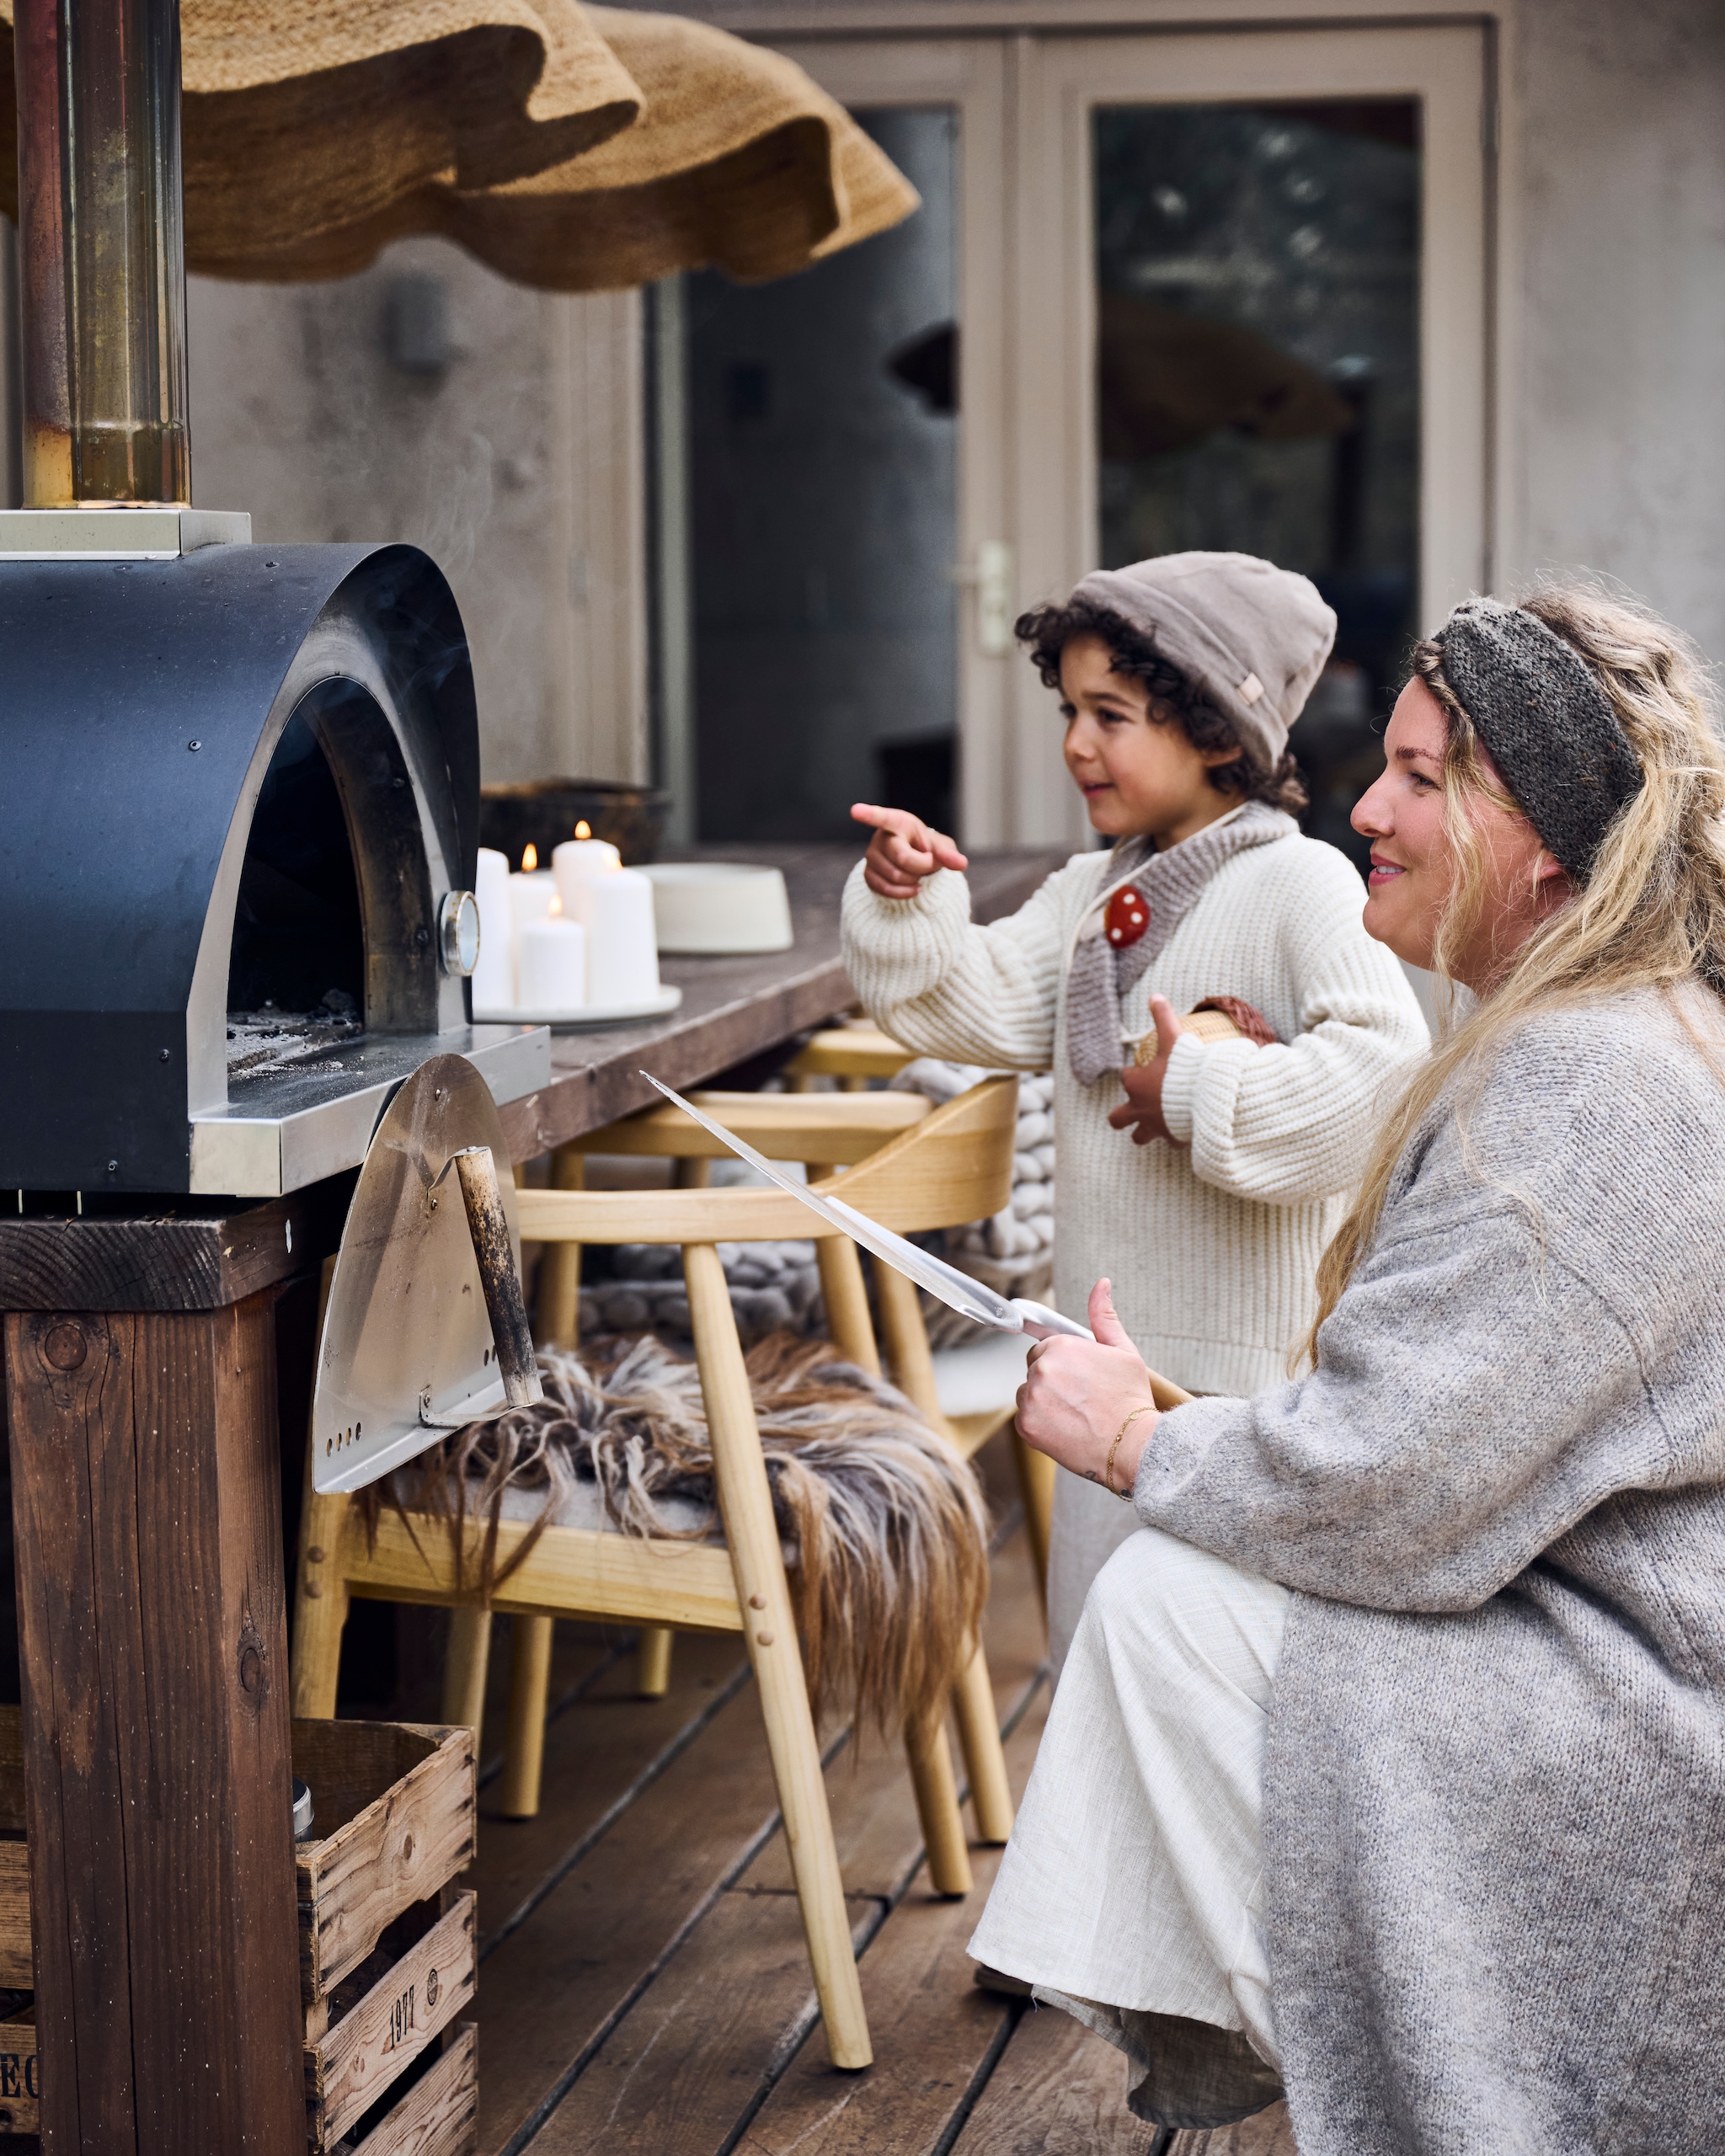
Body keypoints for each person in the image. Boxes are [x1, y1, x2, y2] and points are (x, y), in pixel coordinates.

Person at [972, 584, 1725, 2153]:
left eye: (1423, 776)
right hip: (1606, 1620)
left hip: (1647, 1707)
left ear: (1546, 841)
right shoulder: (1597, 1033)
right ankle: (1314, 2047)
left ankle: (1363, 2063)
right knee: (1186, 1585)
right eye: (1379, 764)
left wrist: (1136, 1448)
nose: (1367, 807)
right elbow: (1442, 1434)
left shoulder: (1585, 1091)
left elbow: (1397, 1490)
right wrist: (1185, 1420)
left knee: (1173, 1608)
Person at [843, 551, 1429, 1667]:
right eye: (1070, 710)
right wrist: (901, 901)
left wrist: (1201, 1086)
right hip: (1102, 1370)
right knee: (1106, 1658)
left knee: (1213, 1672)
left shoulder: (1298, 884)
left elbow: (1382, 1080)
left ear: (1218, 730)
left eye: (1110, 714)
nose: (1075, 742)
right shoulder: (1092, 895)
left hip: (1248, 1392)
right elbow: (960, 1001)